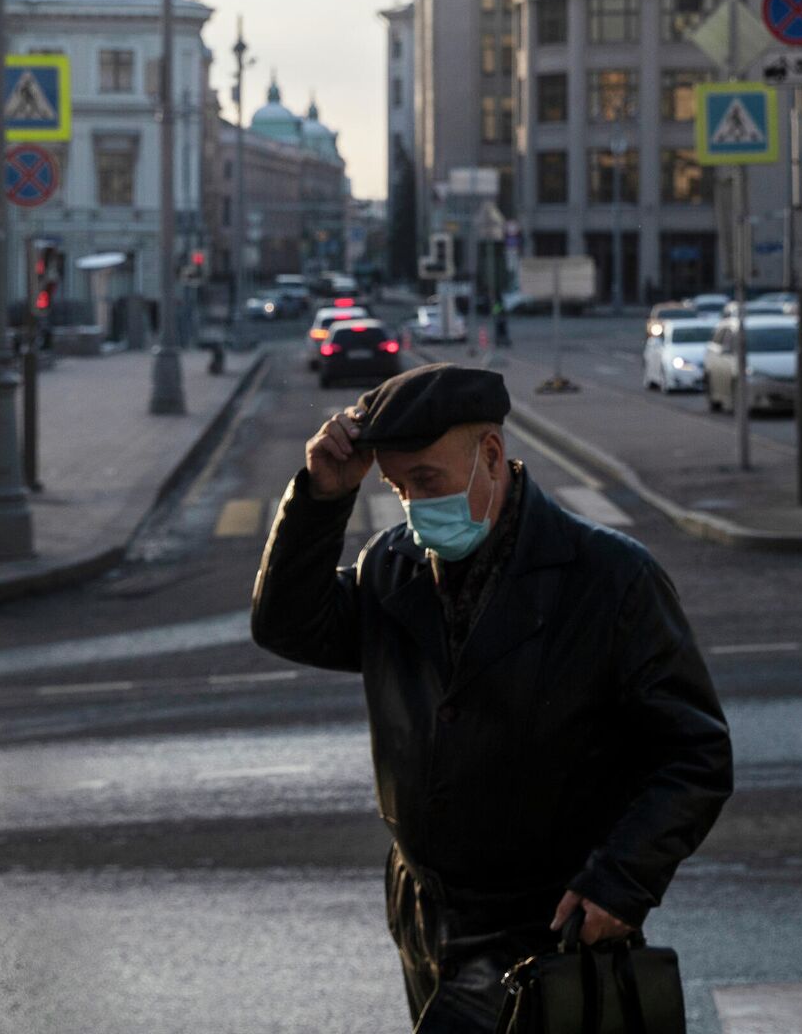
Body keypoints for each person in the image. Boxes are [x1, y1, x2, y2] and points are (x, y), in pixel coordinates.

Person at [251, 363, 732, 1033]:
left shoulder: (609, 578)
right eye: (397, 487)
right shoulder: (393, 567)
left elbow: (695, 754)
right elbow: (285, 624)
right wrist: (322, 495)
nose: (415, 507)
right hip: (426, 918)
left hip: (545, 926)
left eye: (428, 482)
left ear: (493, 456)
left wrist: (623, 881)